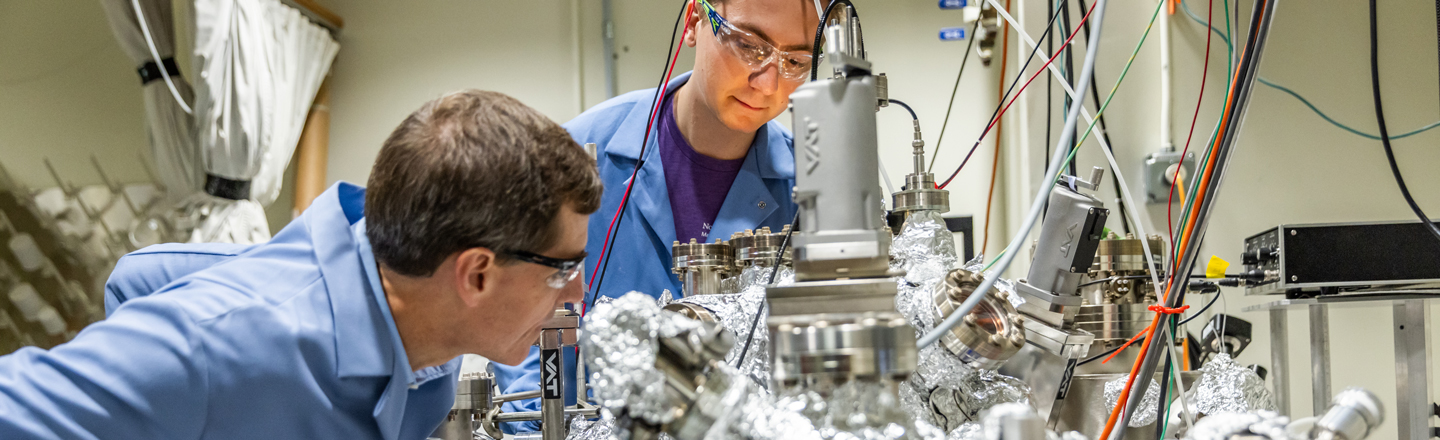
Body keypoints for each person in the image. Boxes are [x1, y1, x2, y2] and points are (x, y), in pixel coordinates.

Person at [0, 90, 602, 440]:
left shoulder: (425, 352)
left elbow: (143, 273)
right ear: (475, 273)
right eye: (560, 269)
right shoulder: (221, 345)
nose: (576, 288)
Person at [493, 0, 820, 433]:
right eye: (749, 45)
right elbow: (521, 331)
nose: (767, 82)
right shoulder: (577, 151)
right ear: (692, 23)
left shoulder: (810, 189)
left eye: (795, 61)